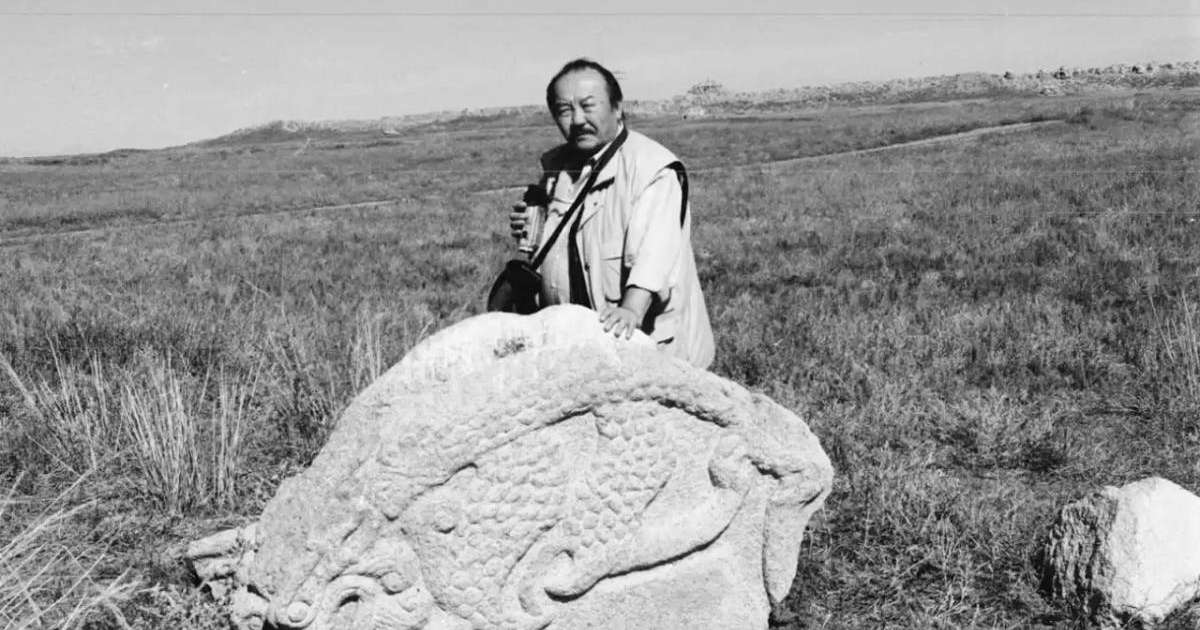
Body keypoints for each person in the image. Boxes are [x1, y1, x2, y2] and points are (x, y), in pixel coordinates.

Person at [509, 58, 715, 368]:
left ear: (617, 108)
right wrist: (532, 233)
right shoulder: (557, 170)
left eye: (589, 106)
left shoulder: (652, 169)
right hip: (586, 347)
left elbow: (655, 251)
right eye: (565, 110)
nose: (577, 119)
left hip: (646, 346)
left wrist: (632, 308)